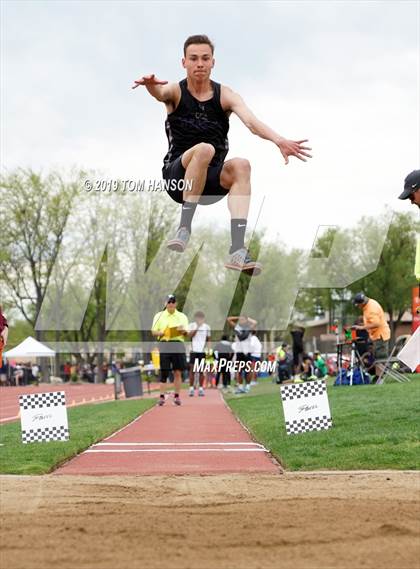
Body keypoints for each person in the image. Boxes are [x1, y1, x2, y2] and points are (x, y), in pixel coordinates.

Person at [132, 34, 312, 277]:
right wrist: (151, 85)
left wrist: (279, 140)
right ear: (183, 62)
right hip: (177, 179)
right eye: (193, 58)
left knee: (242, 165)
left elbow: (251, 122)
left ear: (213, 62)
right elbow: (161, 93)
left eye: (205, 58)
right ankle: (184, 228)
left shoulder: (225, 95)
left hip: (210, 183)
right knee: (205, 149)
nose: (199, 64)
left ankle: (237, 249)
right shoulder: (176, 91)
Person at [151, 294, 189, 406]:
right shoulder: (159, 315)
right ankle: (162, 397)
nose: (171, 304)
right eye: (169, 302)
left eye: (173, 301)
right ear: (165, 303)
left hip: (178, 344)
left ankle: (177, 396)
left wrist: (182, 331)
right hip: (164, 343)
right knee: (164, 371)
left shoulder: (182, 316)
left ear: (176, 303)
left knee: (177, 371)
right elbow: (153, 332)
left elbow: (187, 332)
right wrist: (161, 332)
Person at [352, 292, 391, 373]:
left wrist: (362, 327)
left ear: (362, 303)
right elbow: (372, 320)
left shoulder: (371, 309)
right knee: (377, 356)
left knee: (380, 357)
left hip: (380, 335)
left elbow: (376, 323)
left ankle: (379, 377)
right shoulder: (369, 304)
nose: (358, 307)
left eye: (358, 305)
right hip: (378, 335)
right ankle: (378, 376)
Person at [227, 315, 257, 393]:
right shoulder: (237, 327)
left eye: (243, 320)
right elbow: (229, 319)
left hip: (247, 352)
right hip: (239, 351)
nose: (241, 321)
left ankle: (247, 386)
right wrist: (238, 317)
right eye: (241, 320)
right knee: (239, 370)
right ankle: (240, 386)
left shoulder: (249, 328)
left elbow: (255, 322)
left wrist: (247, 318)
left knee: (248, 370)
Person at [188, 310, 211, 396]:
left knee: (201, 370)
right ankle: (191, 388)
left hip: (202, 351)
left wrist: (209, 351)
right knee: (192, 370)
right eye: (198, 318)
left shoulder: (207, 327)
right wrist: (197, 327)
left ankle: (201, 388)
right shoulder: (191, 325)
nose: (199, 319)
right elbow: (190, 336)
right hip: (193, 351)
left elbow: (209, 339)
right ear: (195, 318)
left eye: (201, 318)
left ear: (203, 318)